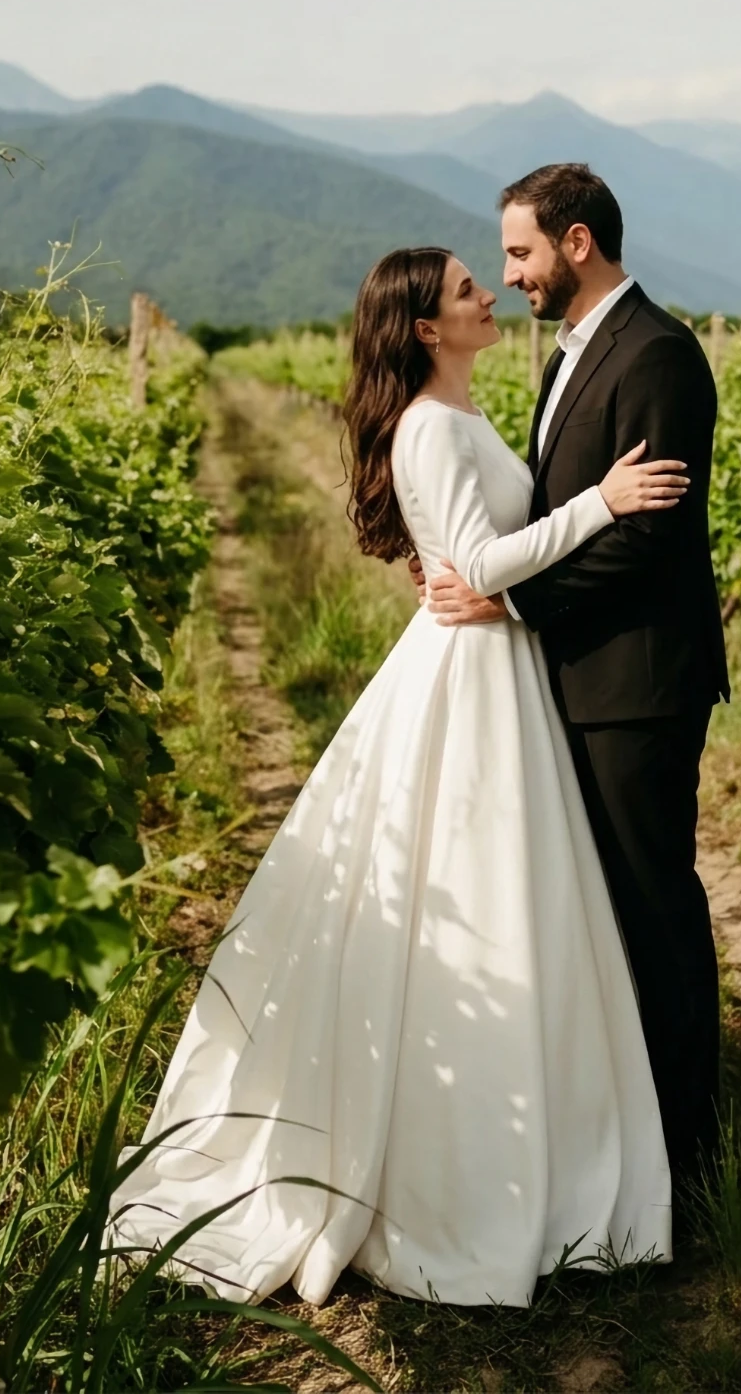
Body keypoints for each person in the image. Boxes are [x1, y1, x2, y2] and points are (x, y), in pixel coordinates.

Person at [107, 244, 690, 1306]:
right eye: (470, 288)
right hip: (470, 671)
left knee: (515, 892)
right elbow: (480, 566)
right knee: (472, 887)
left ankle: (544, 1143)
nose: (490, 295)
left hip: (497, 668)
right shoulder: (428, 426)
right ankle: (469, 1173)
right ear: (426, 327)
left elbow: (468, 552)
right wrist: (603, 501)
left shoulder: (459, 416)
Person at [424, 163, 730, 1204]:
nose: (510, 275)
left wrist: (506, 603)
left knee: (654, 906)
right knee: (606, 913)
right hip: (581, 675)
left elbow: (643, 546)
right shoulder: (570, 357)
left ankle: (691, 1152)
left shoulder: (658, 357)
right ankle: (626, 1127)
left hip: (638, 680)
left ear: (577, 244)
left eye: (518, 252)